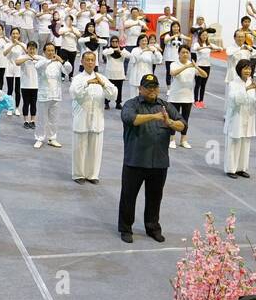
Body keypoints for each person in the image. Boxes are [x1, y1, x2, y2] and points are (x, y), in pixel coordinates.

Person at [118, 74, 184, 243]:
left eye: (155, 86)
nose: (152, 90)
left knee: (155, 197)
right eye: (148, 87)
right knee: (128, 197)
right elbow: (130, 119)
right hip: (135, 161)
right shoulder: (131, 104)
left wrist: (170, 123)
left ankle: (152, 227)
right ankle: (126, 229)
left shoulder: (165, 106)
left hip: (159, 162)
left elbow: (182, 124)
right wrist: (154, 117)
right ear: (140, 88)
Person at [70, 52, 117, 184]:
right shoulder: (78, 78)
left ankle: (92, 175)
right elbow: (74, 93)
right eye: (87, 60)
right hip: (81, 118)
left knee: (95, 149)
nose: (90, 62)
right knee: (79, 148)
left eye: (92, 60)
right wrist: (87, 82)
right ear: (82, 62)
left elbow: (113, 95)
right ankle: (78, 174)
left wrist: (103, 84)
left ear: (95, 62)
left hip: (97, 119)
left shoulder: (102, 78)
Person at [224, 60, 256, 178]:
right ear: (239, 69)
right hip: (236, 117)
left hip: (249, 117)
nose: (247, 71)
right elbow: (235, 100)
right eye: (245, 68)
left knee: (245, 143)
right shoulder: (233, 83)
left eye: (249, 69)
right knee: (234, 142)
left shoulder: (251, 82)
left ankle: (241, 168)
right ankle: (230, 169)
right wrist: (247, 89)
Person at [36, 42, 70, 149]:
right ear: (44, 52)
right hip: (43, 95)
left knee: (53, 119)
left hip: (55, 95)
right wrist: (50, 60)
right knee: (42, 118)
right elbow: (38, 67)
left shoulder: (58, 63)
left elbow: (69, 70)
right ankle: (39, 138)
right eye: (48, 50)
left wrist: (62, 60)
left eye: (52, 50)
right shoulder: (41, 61)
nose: (51, 52)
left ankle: (52, 138)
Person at [166, 48, 198, 150]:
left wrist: (196, 66)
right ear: (179, 54)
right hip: (175, 96)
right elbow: (173, 73)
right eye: (183, 52)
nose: (185, 54)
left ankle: (183, 140)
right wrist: (186, 66)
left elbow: (204, 75)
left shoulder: (192, 65)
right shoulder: (174, 64)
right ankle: (172, 139)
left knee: (185, 119)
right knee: (173, 119)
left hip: (188, 97)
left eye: (187, 52)